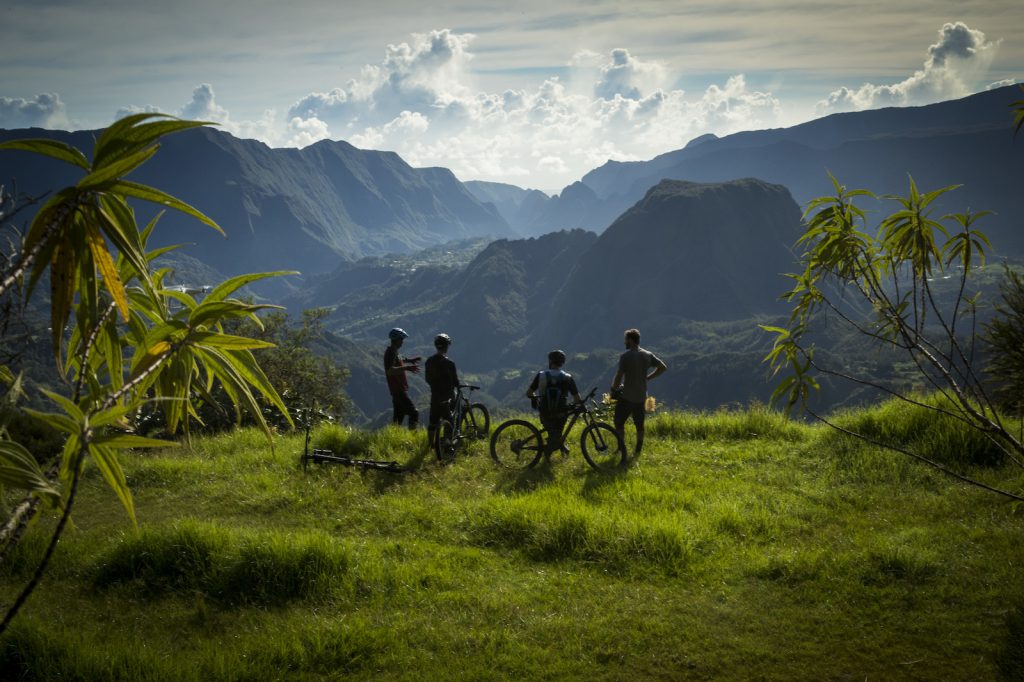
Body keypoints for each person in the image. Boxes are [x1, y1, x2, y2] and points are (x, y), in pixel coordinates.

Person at [610, 328, 667, 457]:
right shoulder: (647, 355)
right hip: (641, 397)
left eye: (626, 340)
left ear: (630, 340)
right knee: (639, 425)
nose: (625, 343)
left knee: (619, 422)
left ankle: (621, 448)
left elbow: (619, 375)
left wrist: (613, 389)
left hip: (626, 396)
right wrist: (648, 378)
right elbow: (663, 367)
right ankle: (638, 449)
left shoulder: (625, 356)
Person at [526, 349, 582, 457]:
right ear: (562, 362)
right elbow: (577, 398)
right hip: (561, 414)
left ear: (550, 361)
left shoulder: (542, 375)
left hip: (545, 412)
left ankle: (552, 450)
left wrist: (535, 398)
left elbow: (529, 393)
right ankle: (556, 450)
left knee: (552, 434)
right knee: (557, 433)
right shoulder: (567, 377)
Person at [424, 333, 459, 454]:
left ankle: (430, 445)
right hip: (448, 396)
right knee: (449, 420)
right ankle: (448, 444)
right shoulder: (450, 364)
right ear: (446, 347)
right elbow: (455, 382)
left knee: (433, 422)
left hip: (435, 396)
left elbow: (427, 379)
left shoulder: (429, 361)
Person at [384, 327, 420, 429]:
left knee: (398, 420)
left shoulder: (394, 352)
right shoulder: (390, 353)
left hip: (398, 390)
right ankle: (413, 437)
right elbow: (390, 371)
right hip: (398, 390)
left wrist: (410, 360)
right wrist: (407, 367)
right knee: (414, 413)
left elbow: (400, 359)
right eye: (401, 339)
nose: (402, 342)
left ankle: (392, 440)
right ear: (396, 339)